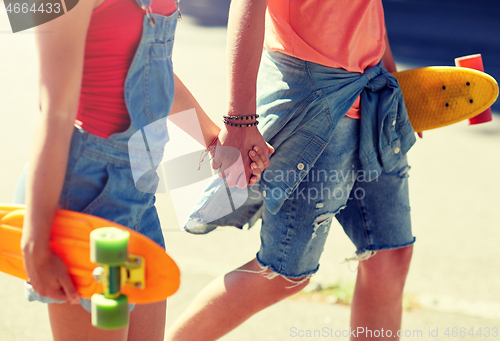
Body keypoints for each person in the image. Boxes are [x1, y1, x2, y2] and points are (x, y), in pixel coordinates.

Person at [14, 0, 269, 340]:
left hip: (139, 194)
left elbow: (156, 70)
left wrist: (213, 140)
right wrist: (36, 241)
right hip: (86, 195)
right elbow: (55, 113)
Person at [166, 0, 417, 340]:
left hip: (374, 95)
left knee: (391, 253)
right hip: (314, 101)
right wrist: (240, 119)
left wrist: (399, 82)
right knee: (283, 273)